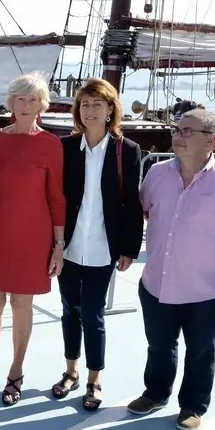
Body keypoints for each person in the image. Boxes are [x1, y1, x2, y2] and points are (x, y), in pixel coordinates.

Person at [128, 109, 215, 430]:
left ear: (211, 140)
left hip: (204, 286)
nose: (178, 136)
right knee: (159, 345)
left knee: (201, 351)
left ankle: (193, 405)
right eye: (177, 130)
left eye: (188, 131)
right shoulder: (157, 173)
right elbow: (147, 211)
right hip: (157, 281)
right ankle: (156, 393)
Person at [0, 73, 66, 406]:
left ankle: (16, 371)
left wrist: (58, 245)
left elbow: (57, 197)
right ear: (10, 103)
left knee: (21, 305)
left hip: (34, 237)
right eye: (20, 99)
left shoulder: (51, 144)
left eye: (32, 99)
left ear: (42, 104)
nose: (26, 106)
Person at [54, 77, 144, 411]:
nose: (90, 110)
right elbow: (56, 198)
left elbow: (131, 203)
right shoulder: (65, 148)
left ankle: (94, 378)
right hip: (68, 246)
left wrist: (129, 248)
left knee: (92, 312)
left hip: (103, 247)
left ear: (110, 110)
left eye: (98, 104)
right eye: (85, 104)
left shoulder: (127, 150)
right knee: (69, 310)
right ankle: (70, 371)